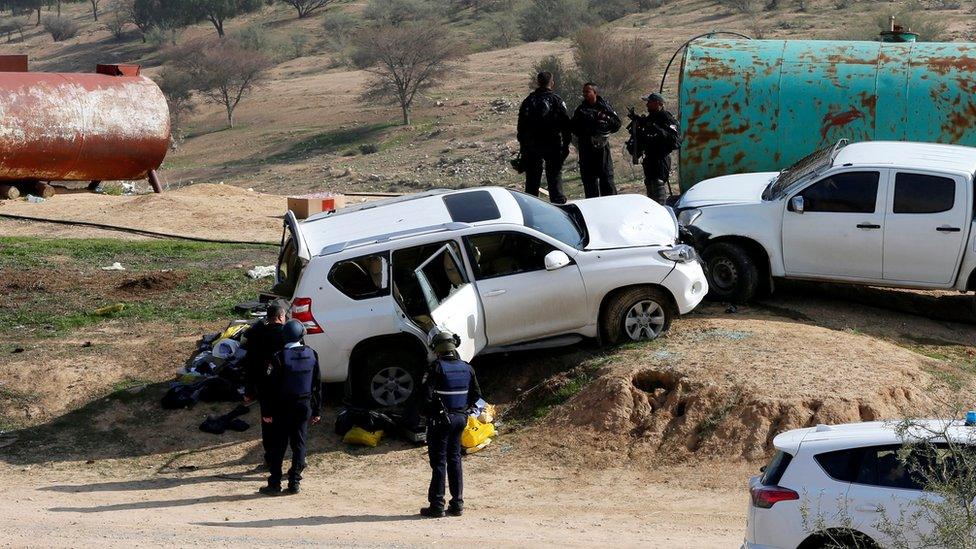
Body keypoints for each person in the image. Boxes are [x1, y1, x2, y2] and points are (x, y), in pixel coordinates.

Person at [419, 328, 482, 518]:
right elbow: (476, 396)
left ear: (436, 349)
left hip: (440, 422)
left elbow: (425, 397)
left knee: (439, 462)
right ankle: (457, 504)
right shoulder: (466, 367)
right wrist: (462, 410)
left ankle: (437, 505)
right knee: (455, 459)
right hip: (460, 420)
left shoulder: (436, 368)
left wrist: (429, 415)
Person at [259, 319, 322, 496]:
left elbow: (268, 390)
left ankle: (274, 484)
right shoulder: (312, 354)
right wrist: (317, 410)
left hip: (282, 407)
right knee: (299, 445)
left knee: (278, 446)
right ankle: (294, 482)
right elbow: (317, 385)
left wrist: (267, 413)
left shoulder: (278, 357)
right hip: (304, 406)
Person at [241, 299, 289, 468]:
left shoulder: (257, 335)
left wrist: (249, 390)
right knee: (287, 424)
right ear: (281, 317)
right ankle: (293, 460)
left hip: (265, 388)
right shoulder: (286, 335)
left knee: (268, 424)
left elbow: (250, 365)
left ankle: (270, 459)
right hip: (285, 387)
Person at [516, 71, 572, 204]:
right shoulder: (556, 100)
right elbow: (566, 124)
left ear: (538, 82)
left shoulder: (528, 101)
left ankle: (531, 207)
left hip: (532, 145)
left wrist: (523, 146)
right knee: (554, 176)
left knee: (532, 180)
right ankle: (558, 205)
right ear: (551, 83)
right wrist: (566, 145)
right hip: (552, 144)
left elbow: (521, 126)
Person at [627, 92, 681, 204]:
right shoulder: (650, 118)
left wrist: (657, 130)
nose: (647, 105)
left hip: (660, 159)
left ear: (658, 103)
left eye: (649, 102)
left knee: (658, 185)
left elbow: (675, 139)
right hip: (649, 159)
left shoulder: (665, 117)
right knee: (650, 185)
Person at [571, 82, 621, 199]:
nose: (585, 94)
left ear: (595, 92)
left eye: (587, 92)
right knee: (589, 184)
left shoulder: (604, 107)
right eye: (584, 92)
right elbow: (573, 127)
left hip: (602, 150)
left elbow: (616, 124)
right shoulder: (581, 109)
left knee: (607, 181)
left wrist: (603, 119)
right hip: (586, 150)